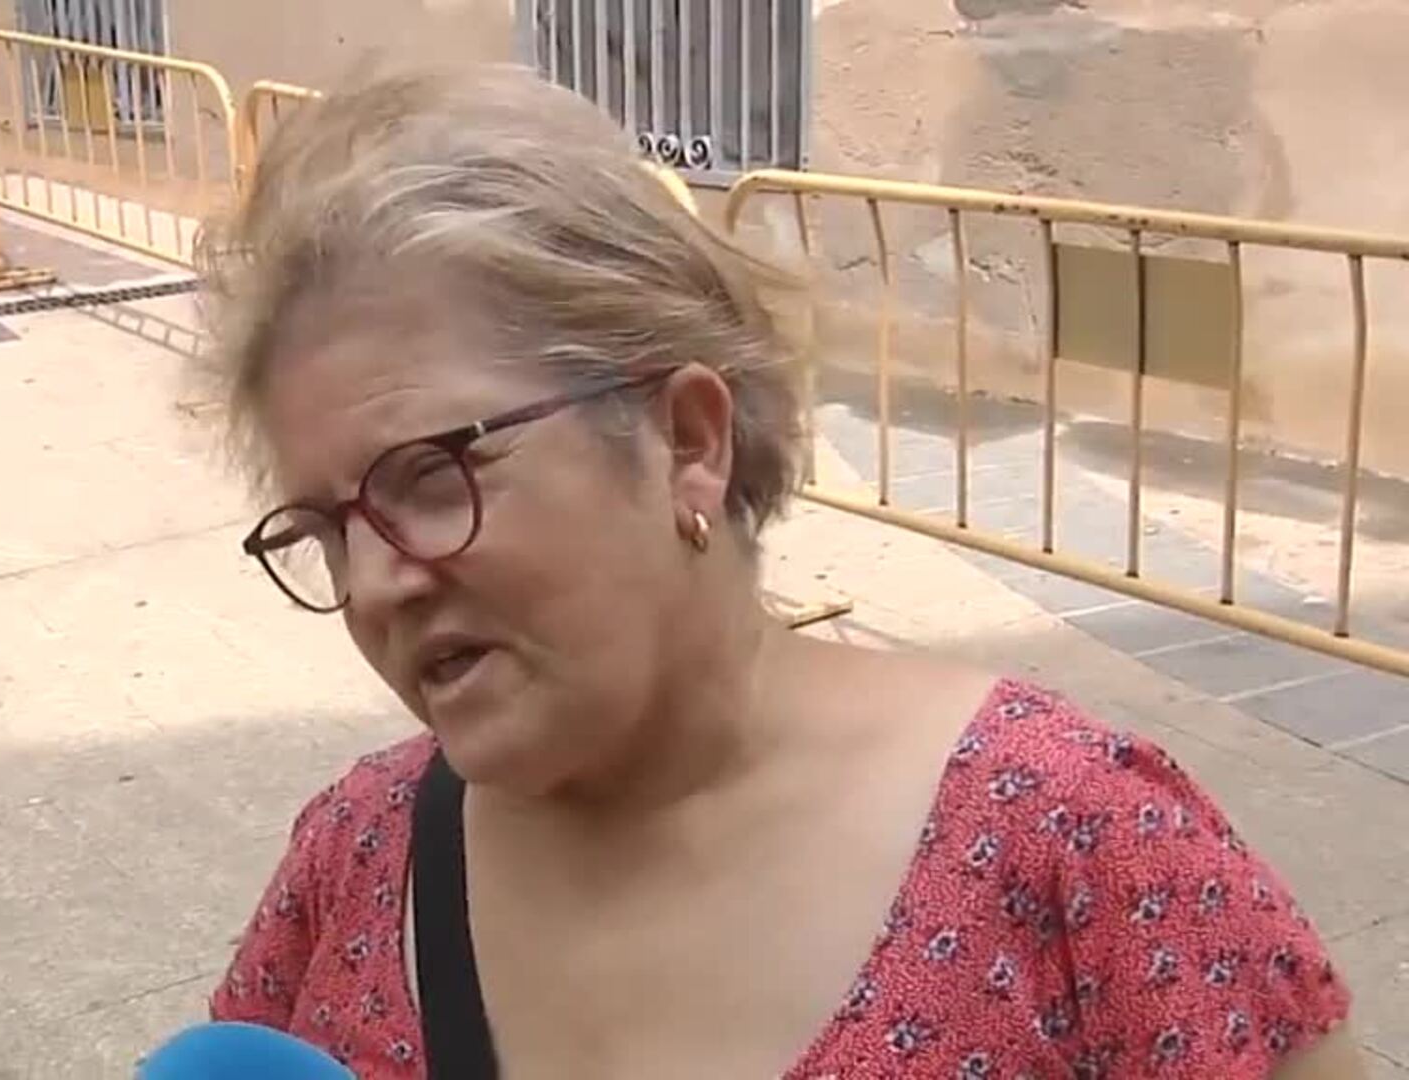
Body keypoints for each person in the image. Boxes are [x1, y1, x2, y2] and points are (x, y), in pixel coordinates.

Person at [193, 65, 1358, 1079]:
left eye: (432, 476)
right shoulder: (356, 861)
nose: (375, 584)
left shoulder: (1080, 848)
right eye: (326, 530)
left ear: (687, 441)